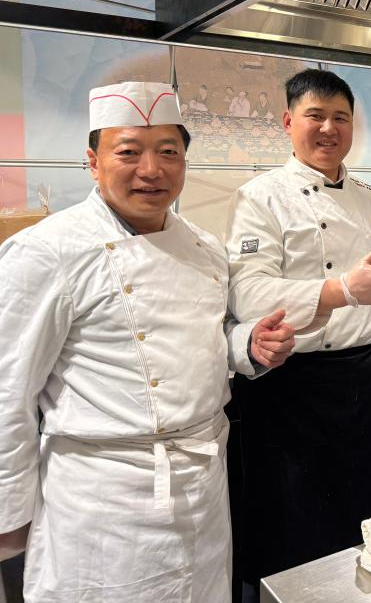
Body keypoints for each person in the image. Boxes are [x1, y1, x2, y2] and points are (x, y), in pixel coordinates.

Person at [0, 81, 296, 601]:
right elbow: (8, 390)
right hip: (103, 503)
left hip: (202, 487)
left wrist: (247, 345)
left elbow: (206, 340)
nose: (151, 170)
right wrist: (8, 516)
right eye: (129, 152)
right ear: (93, 162)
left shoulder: (204, 247)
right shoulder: (47, 252)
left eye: (168, 152)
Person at [225, 68, 371, 580]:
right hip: (292, 390)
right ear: (287, 122)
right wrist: (341, 291)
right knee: (293, 531)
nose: (328, 129)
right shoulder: (259, 196)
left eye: (340, 118)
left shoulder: (366, 195)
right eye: (315, 116)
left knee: (359, 520)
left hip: (362, 383)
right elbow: (248, 294)